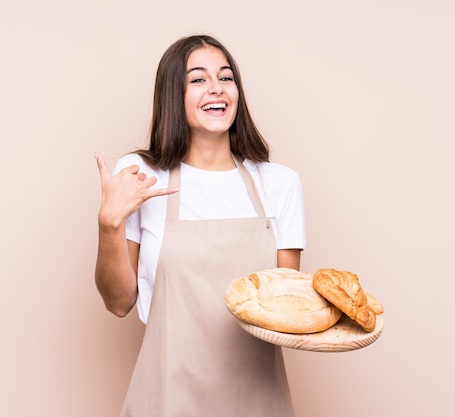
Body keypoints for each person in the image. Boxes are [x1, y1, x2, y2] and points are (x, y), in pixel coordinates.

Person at [94, 34, 305, 417]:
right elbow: (118, 302)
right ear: (173, 95)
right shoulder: (141, 175)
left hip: (257, 400)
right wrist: (109, 224)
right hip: (167, 398)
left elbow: (285, 307)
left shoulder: (279, 183)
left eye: (226, 78)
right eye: (198, 79)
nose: (217, 89)